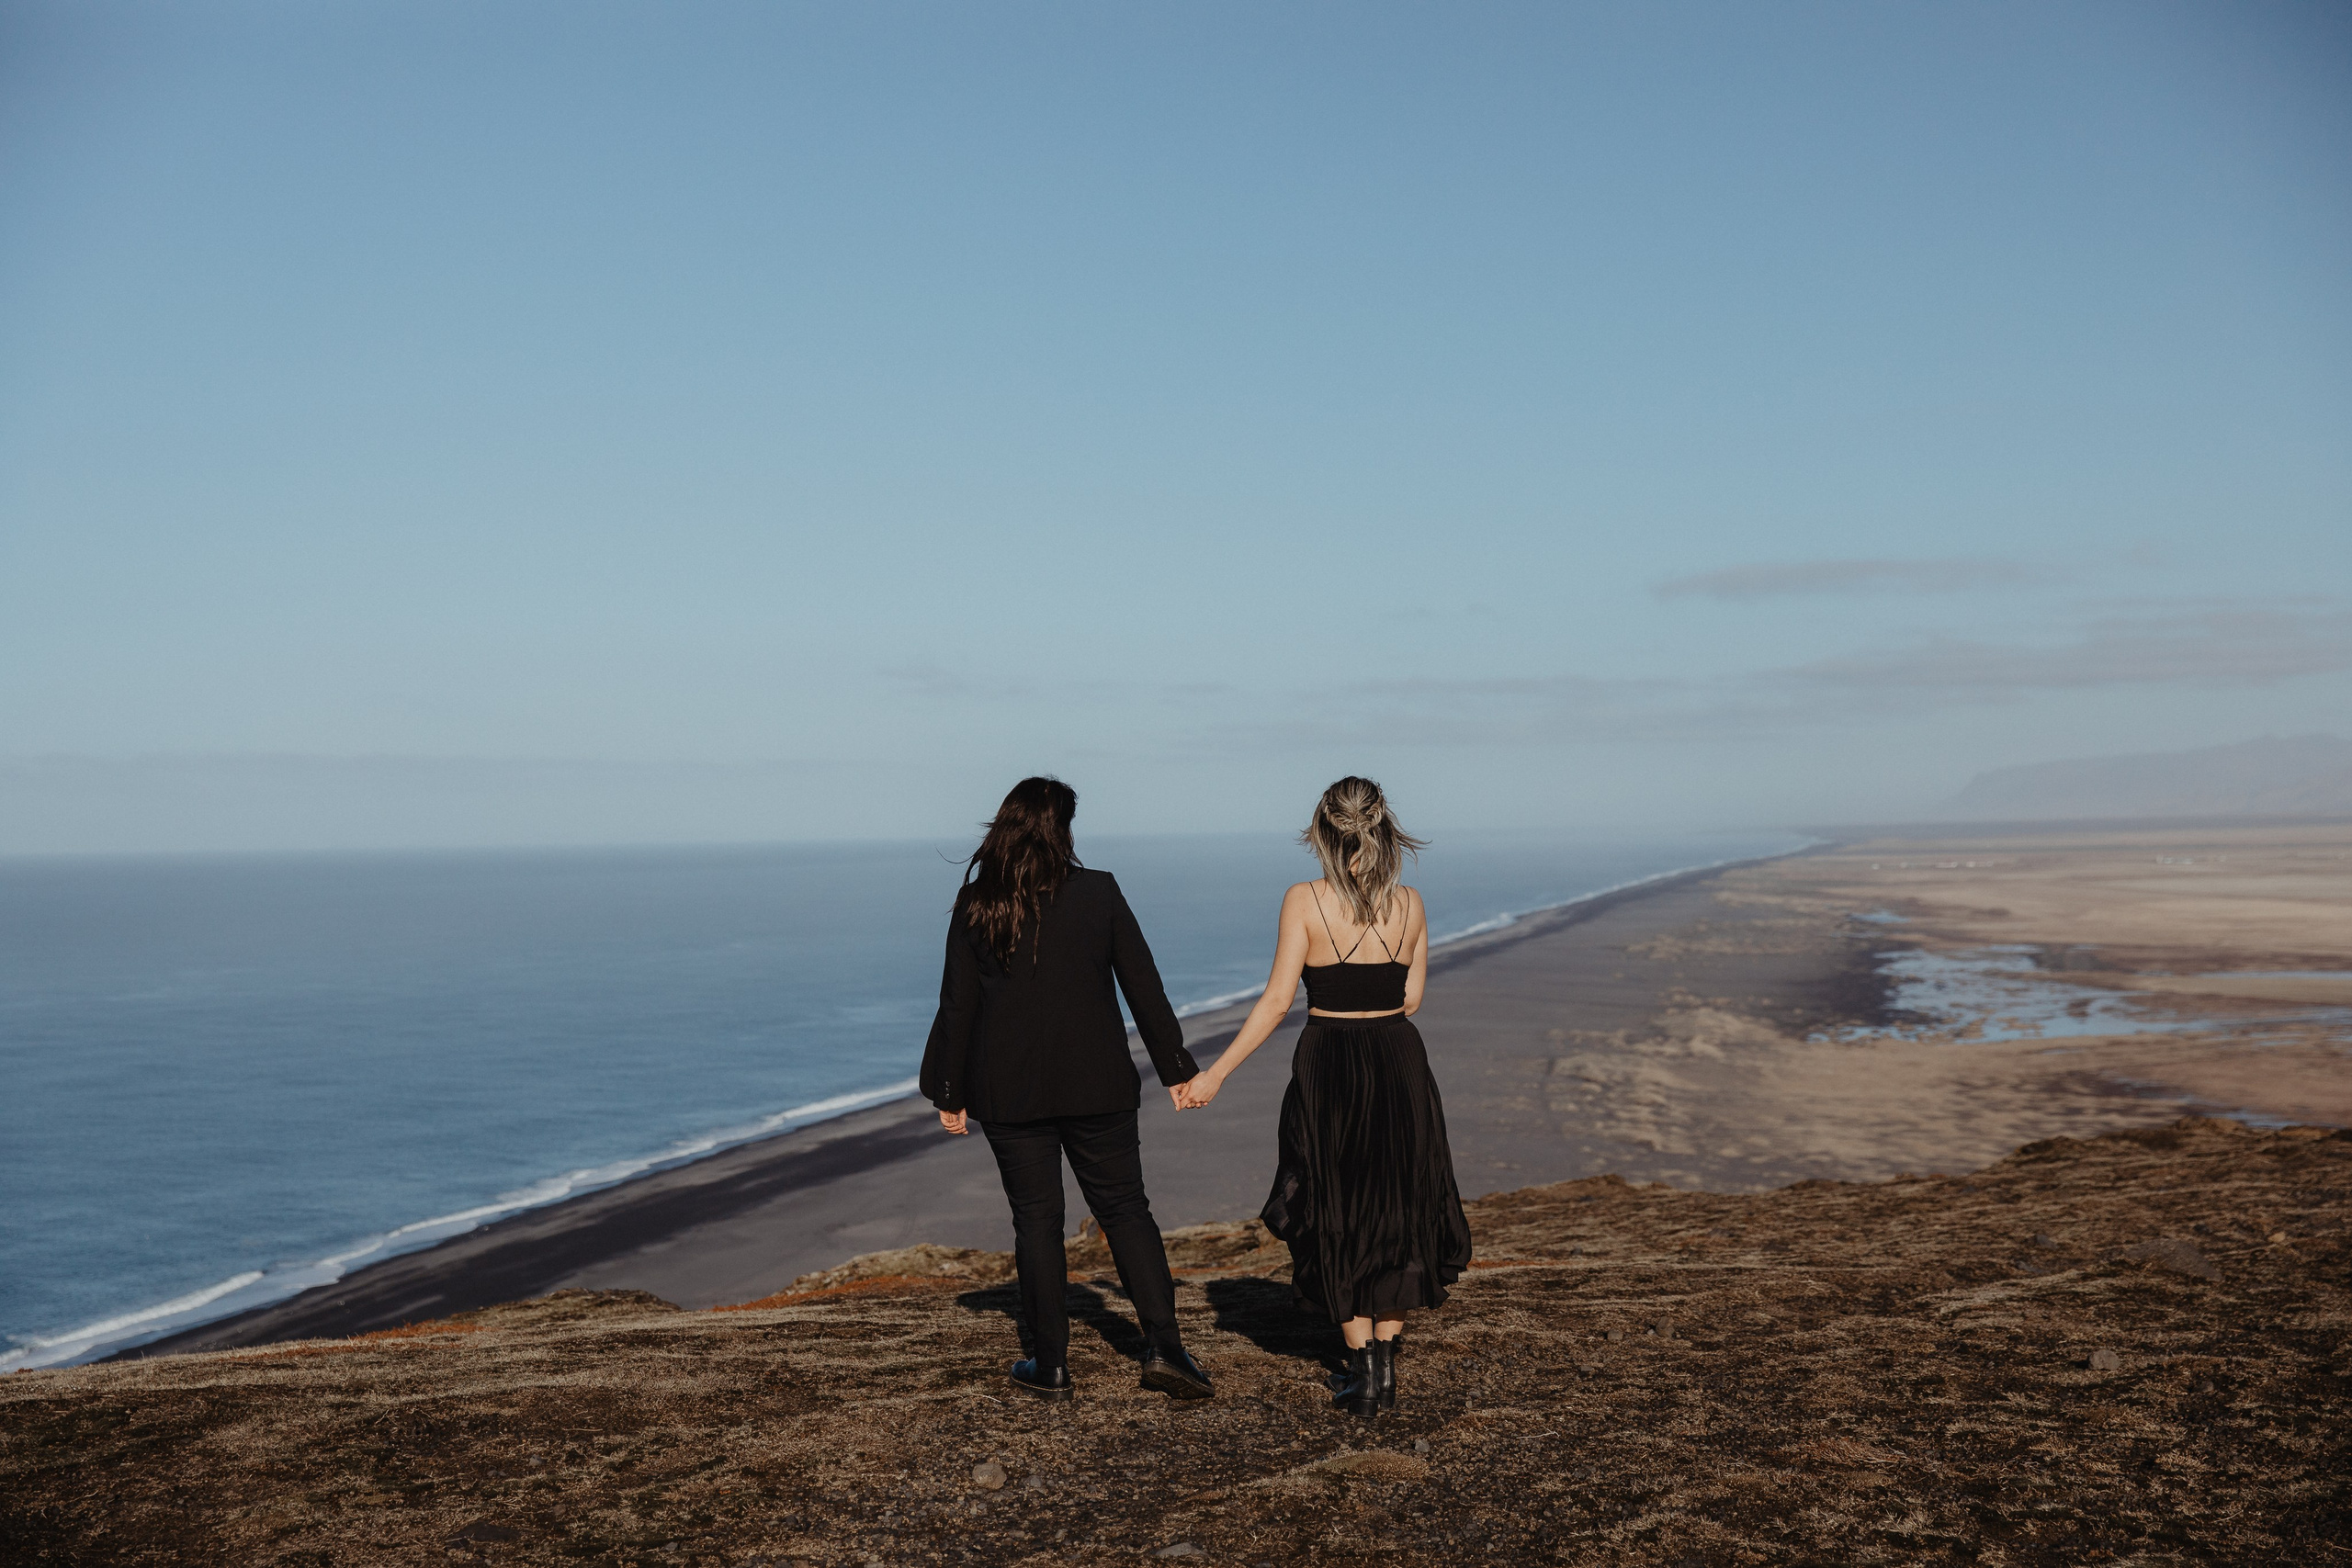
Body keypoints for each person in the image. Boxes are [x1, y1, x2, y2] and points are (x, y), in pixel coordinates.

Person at [1173, 776, 1471, 1417]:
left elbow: (1278, 1000)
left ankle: (1360, 1372)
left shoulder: (1303, 899)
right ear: (1383, 829)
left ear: (1322, 832)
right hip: (1398, 1059)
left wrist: (1216, 1074)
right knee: (1397, 1205)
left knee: (1333, 1203)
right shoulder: (1411, 902)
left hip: (1329, 1063)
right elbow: (1412, 998)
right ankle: (1385, 1370)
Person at [920, 775, 1215, 1402]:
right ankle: (1166, 1349)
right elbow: (1143, 985)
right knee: (1125, 1209)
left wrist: (949, 1090)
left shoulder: (978, 902)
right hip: (1099, 1086)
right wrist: (1177, 1069)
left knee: (1037, 1221)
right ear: (1061, 830)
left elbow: (957, 1005)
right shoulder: (1098, 891)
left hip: (1008, 1093)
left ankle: (1051, 1366)